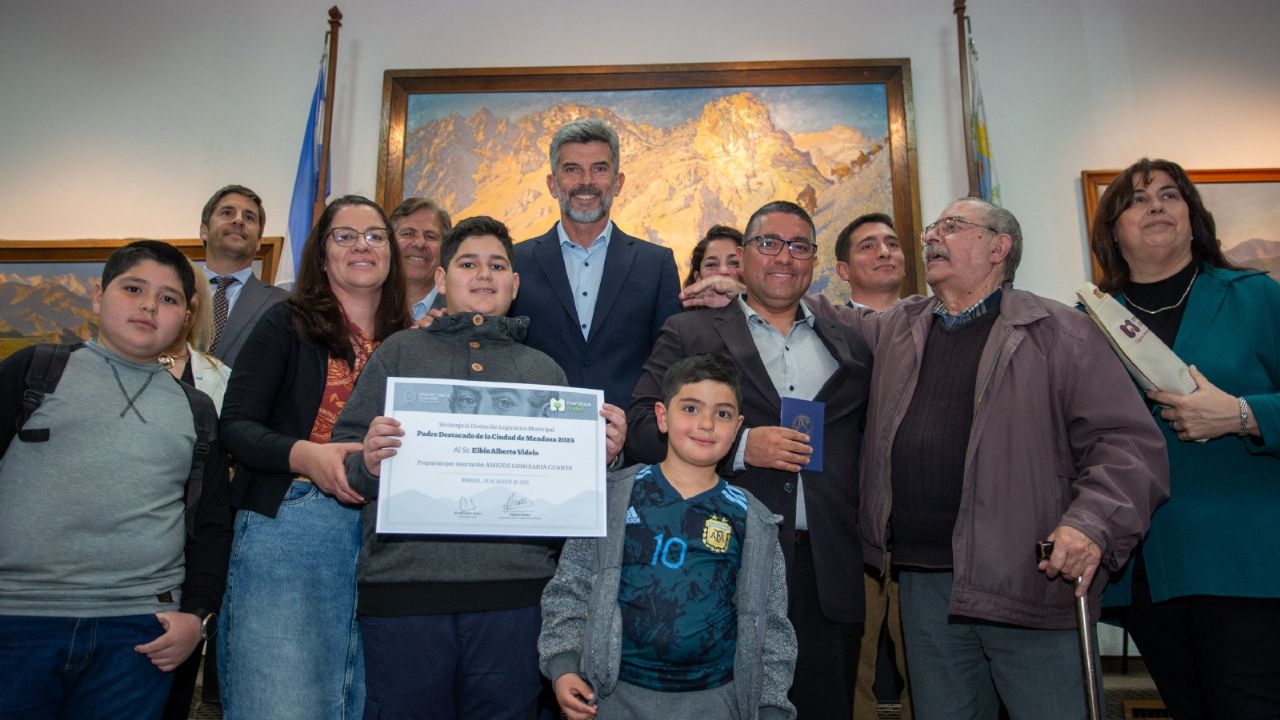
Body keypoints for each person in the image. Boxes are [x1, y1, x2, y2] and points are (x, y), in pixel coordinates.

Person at [330, 215, 626, 720]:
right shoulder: (399, 353)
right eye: (468, 264)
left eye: (497, 265)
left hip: (516, 597)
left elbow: (568, 496)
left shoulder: (545, 371)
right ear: (442, 279)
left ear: (515, 283)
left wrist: (600, 457)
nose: (484, 274)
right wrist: (369, 461)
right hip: (404, 593)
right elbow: (345, 459)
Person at [628, 201, 872, 718]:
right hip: (718, 565)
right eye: (768, 243)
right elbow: (642, 429)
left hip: (825, 571)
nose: (784, 257)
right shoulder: (691, 333)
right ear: (742, 256)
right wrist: (740, 447)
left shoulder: (849, 346)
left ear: (813, 260)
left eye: (799, 246)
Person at [0, 240, 232, 718]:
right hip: (18, 618)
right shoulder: (34, 372)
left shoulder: (197, 409)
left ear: (185, 318)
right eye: (133, 289)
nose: (149, 306)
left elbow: (212, 526)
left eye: (168, 298)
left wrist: (196, 617)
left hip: (139, 632)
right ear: (97, 296)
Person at [1090, 158, 1280, 718]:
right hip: (1145, 565)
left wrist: (1241, 414)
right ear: (1113, 231)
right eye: (1136, 199)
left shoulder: (1255, 296)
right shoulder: (1089, 320)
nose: (1155, 205)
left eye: (1169, 195)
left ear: (1193, 217)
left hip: (1243, 559)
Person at [217, 195, 409, 720]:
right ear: (322, 256)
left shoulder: (414, 341)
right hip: (292, 522)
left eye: (374, 236)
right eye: (344, 236)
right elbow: (235, 426)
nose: (361, 246)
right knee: (281, 699)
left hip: (386, 537)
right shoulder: (285, 323)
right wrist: (306, 456)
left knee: (367, 701)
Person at [540, 354, 797, 720]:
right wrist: (564, 665)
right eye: (690, 408)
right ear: (662, 416)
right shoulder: (613, 497)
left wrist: (771, 706)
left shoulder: (754, 520)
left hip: (714, 703)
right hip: (613, 698)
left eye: (723, 414)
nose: (706, 424)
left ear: (738, 426)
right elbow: (570, 587)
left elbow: (771, 626)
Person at [512, 118, 683, 409]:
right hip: (538, 428)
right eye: (572, 169)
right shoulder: (516, 261)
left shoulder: (656, 265)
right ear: (553, 184)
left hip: (629, 431)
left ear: (618, 183)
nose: (586, 182)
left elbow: (670, 365)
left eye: (600, 169)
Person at [159, 263, 232, 720]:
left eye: (173, 299)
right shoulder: (70, 375)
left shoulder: (216, 377)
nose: (155, 307)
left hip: (195, 538)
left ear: (191, 311)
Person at [198, 184, 288, 366]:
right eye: (227, 213)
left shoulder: (285, 305)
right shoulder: (176, 294)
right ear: (204, 231)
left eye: (249, 217)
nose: (239, 221)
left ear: (259, 241)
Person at [389, 196, 453, 321]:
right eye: (408, 234)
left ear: (445, 248)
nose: (419, 243)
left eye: (430, 236)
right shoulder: (370, 303)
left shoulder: (459, 310)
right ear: (390, 242)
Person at [833, 212, 905, 311]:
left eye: (892, 244)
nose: (885, 252)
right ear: (843, 271)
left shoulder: (925, 317)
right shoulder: (830, 321)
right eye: (867, 246)